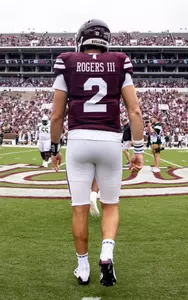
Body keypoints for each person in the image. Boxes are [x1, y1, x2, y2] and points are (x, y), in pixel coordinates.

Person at [49, 19, 144, 287]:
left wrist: (54, 149)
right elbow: (134, 111)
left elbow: (57, 115)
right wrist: (138, 150)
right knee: (110, 205)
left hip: (79, 140)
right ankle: (107, 253)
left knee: (79, 209)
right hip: (111, 141)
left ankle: (83, 269)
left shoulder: (67, 61)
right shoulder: (120, 61)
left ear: (81, 39)